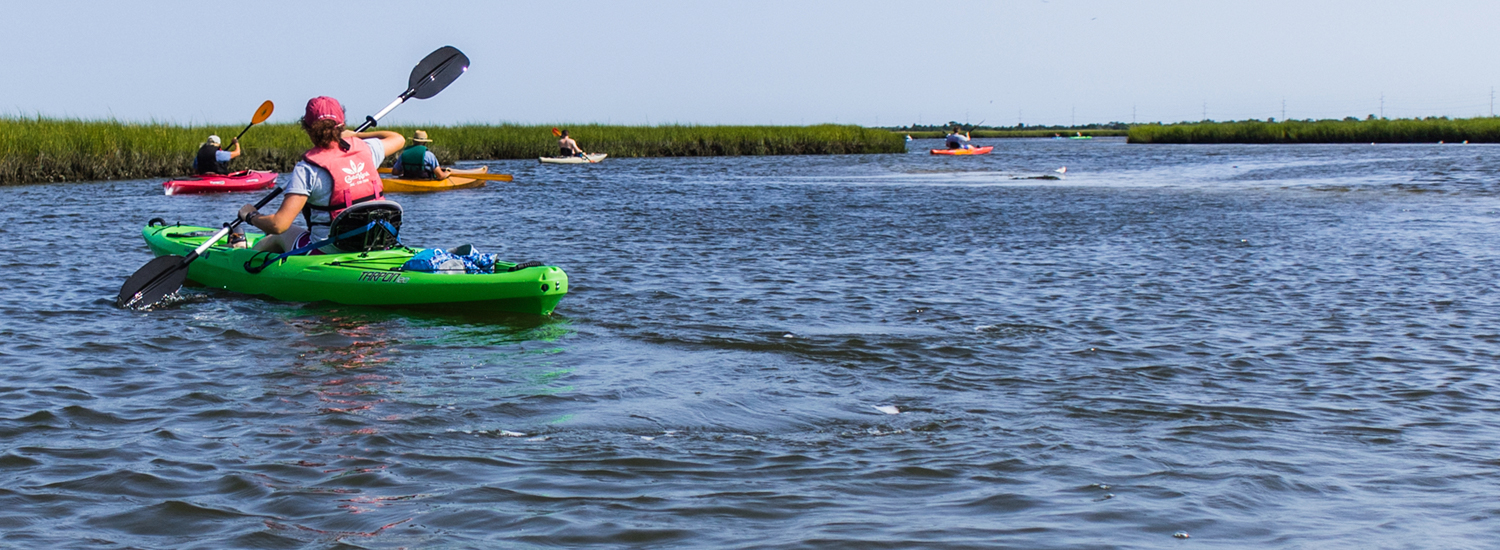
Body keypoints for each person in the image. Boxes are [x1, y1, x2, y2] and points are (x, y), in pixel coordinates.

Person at [238, 96, 404, 254]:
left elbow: (279, 224)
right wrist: (356, 135)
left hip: (327, 250)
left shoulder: (307, 169)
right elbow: (397, 138)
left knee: (280, 234)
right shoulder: (367, 149)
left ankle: (242, 255)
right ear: (342, 125)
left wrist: (251, 216)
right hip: (378, 243)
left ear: (308, 129)